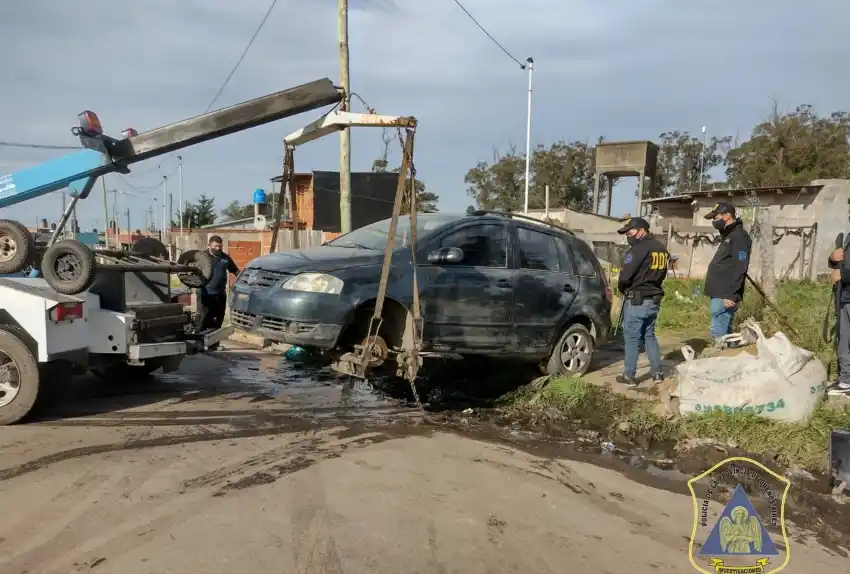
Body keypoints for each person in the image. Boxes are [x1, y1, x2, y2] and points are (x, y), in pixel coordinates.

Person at [615, 217, 669, 386]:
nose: (627, 236)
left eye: (629, 232)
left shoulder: (638, 249)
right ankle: (658, 374)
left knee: (632, 338)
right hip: (654, 299)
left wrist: (623, 289)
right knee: (649, 336)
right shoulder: (661, 249)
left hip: (637, 299)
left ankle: (629, 376)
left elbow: (625, 277)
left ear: (641, 230)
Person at [703, 203, 752, 343]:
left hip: (725, 293)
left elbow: (740, 266)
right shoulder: (729, 235)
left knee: (719, 332)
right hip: (720, 291)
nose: (714, 221)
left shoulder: (738, 236)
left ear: (727, 216)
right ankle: (726, 358)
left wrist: (731, 294)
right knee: (724, 333)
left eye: (716, 217)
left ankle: (718, 358)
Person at [196, 236, 240, 339]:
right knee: (204, 318)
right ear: (209, 246)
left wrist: (245, 278)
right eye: (215, 246)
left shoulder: (225, 258)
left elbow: (235, 270)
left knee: (218, 319)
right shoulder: (203, 257)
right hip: (205, 293)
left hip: (220, 294)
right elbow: (193, 272)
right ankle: (198, 341)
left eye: (220, 246)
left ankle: (214, 342)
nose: (218, 248)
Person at [828, 245, 850, 392]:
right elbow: (842, 262)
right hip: (846, 298)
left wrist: (843, 274)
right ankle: (845, 381)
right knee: (843, 340)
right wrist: (832, 259)